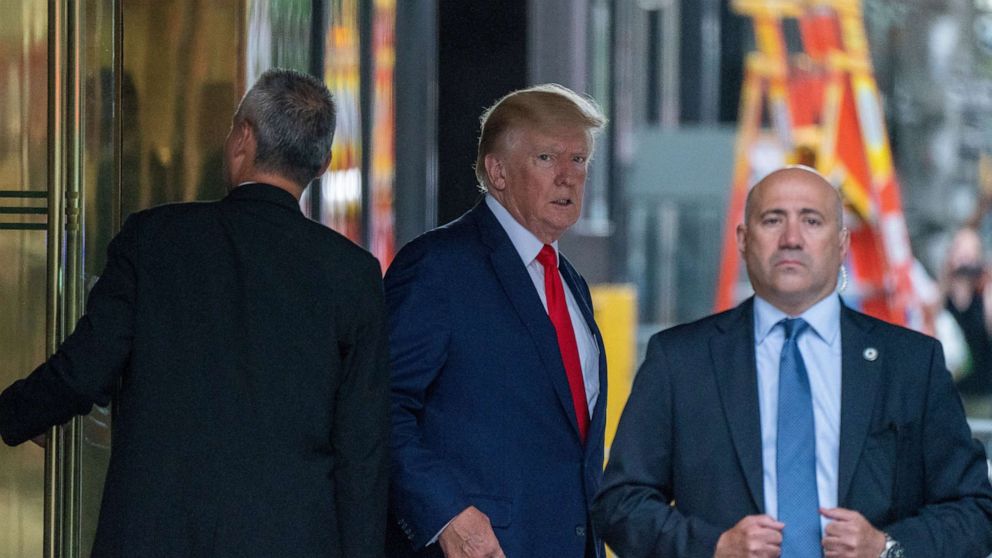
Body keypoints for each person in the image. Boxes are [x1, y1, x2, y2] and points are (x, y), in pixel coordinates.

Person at [0, 68, 390, 558]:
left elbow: (82, 373)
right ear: (322, 165)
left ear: (243, 138)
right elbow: (363, 454)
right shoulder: (353, 275)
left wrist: (13, 413)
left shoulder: (153, 240)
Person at [592, 166, 992, 557]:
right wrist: (712, 547)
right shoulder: (680, 362)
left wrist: (886, 547)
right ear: (744, 240)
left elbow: (974, 511)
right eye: (772, 220)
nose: (791, 238)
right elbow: (620, 504)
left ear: (842, 244)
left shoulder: (910, 364)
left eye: (812, 221)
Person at [385, 84, 608, 558]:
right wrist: (445, 514)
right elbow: (379, 407)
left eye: (580, 160)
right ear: (497, 172)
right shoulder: (437, 267)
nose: (569, 177)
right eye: (547, 158)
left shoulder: (571, 284)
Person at [941, 227, 992, 398]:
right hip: (950, 392)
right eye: (960, 251)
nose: (965, 259)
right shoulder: (942, 293)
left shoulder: (985, 292)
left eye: (971, 253)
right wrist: (946, 279)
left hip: (983, 391)